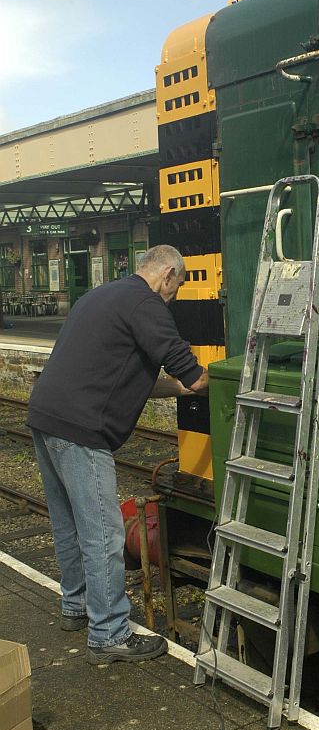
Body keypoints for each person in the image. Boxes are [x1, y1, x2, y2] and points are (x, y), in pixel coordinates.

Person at [27, 245, 208, 664]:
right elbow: (192, 373)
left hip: (46, 415)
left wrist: (176, 388)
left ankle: (75, 606)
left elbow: (121, 370)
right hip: (81, 429)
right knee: (105, 533)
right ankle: (109, 633)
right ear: (167, 275)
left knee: (68, 523)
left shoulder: (102, 295)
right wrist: (212, 381)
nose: (173, 297)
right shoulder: (147, 304)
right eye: (176, 289)